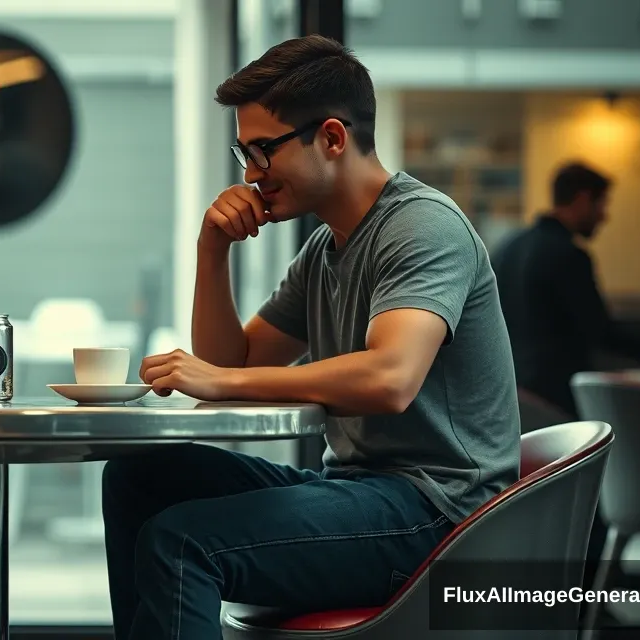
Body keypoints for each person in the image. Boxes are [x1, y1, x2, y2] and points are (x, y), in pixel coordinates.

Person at [105, 35, 520, 639]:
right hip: (358, 491)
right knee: (137, 479)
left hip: (439, 513)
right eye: (242, 153)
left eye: (263, 151)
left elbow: (390, 378)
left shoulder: (423, 226)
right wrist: (211, 250)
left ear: (331, 137)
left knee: (184, 542)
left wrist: (221, 378)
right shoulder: (325, 249)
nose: (251, 175)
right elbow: (236, 365)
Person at [493, 161, 640, 417]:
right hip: (559, 404)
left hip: (511, 399)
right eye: (602, 204)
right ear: (583, 199)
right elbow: (601, 332)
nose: (605, 216)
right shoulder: (567, 255)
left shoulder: (506, 249)